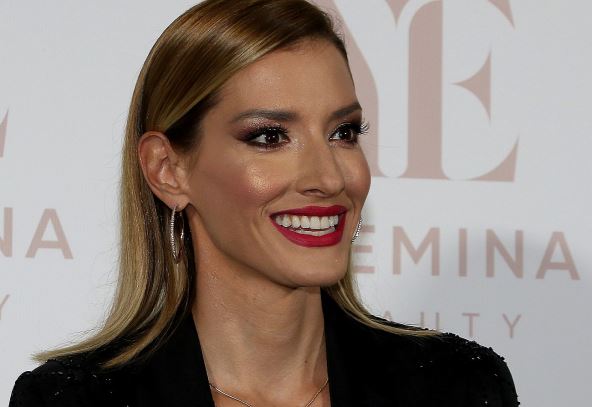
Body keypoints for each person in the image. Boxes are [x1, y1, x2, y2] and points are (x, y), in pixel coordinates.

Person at [9, 0, 519, 406]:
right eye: (270, 136)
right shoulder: (74, 400)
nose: (328, 178)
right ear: (168, 169)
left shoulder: (458, 387)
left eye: (343, 132)